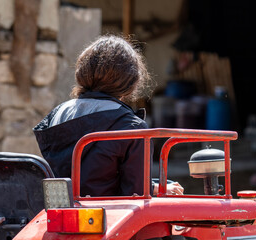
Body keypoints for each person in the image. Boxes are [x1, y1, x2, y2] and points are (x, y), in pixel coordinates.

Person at [33, 35, 183, 197]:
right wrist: (151, 189)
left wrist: (152, 186)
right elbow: (135, 195)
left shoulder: (56, 114)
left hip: (58, 214)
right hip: (107, 218)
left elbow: (82, 180)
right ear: (130, 80)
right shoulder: (131, 127)